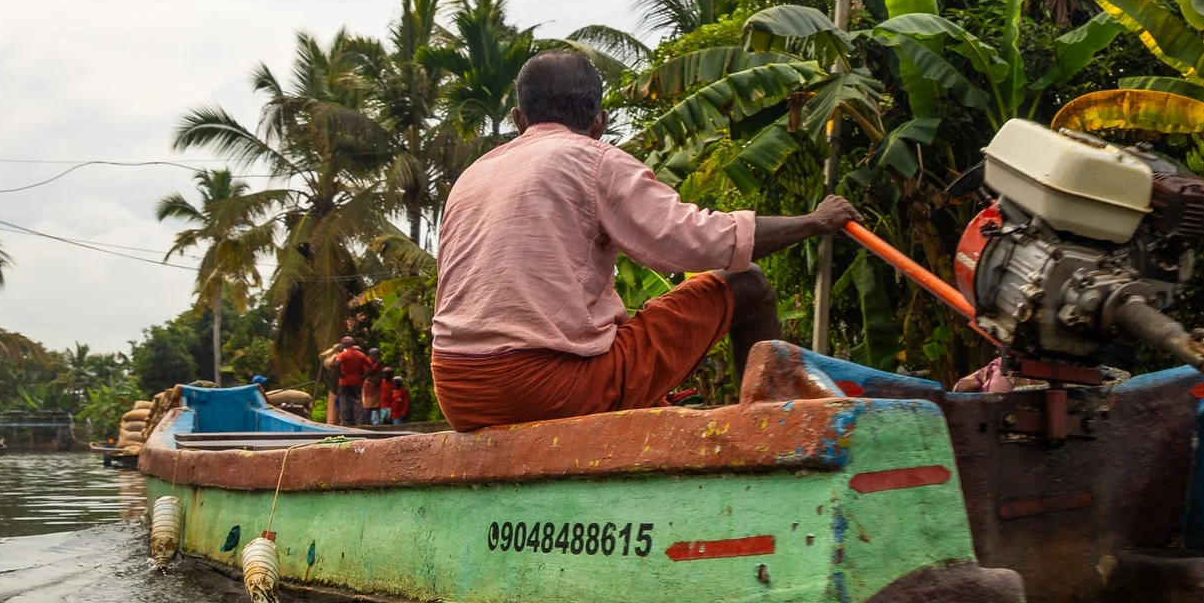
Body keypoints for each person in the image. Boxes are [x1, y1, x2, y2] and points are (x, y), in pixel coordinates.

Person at [429, 49, 860, 432]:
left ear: (519, 120)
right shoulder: (594, 159)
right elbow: (701, 241)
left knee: (621, 323)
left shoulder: (472, 176)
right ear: (599, 123)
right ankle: (770, 435)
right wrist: (815, 222)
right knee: (747, 284)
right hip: (541, 390)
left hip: (458, 392)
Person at [321, 336, 372, 426]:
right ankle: (358, 421)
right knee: (357, 401)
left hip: (345, 381)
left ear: (345, 344)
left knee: (344, 401)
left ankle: (346, 421)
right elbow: (369, 364)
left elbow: (337, 364)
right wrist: (364, 376)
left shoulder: (343, 354)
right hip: (357, 381)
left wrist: (341, 374)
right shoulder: (360, 354)